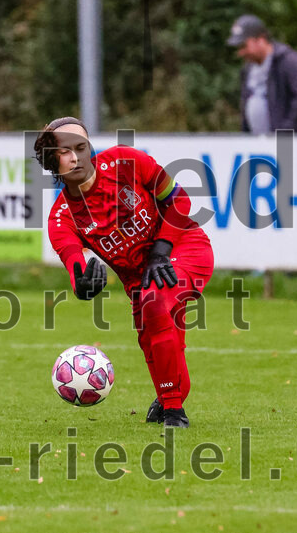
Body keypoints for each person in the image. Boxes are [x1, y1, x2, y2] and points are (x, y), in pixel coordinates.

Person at [35, 117, 214, 428]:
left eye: (81, 147)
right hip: (139, 281)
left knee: (154, 303)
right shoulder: (62, 219)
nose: (76, 157)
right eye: (66, 152)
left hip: (184, 247)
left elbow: (179, 201)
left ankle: (174, 412)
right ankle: (170, 398)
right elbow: (75, 265)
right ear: (54, 160)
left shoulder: (127, 161)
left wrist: (161, 251)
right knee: (156, 341)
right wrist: (83, 284)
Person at [227, 14, 297, 133]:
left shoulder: (288, 61)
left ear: (260, 40)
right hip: (259, 143)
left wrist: (283, 133)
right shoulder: (247, 70)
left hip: (287, 141)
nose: (241, 52)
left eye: (244, 46)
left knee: (285, 153)